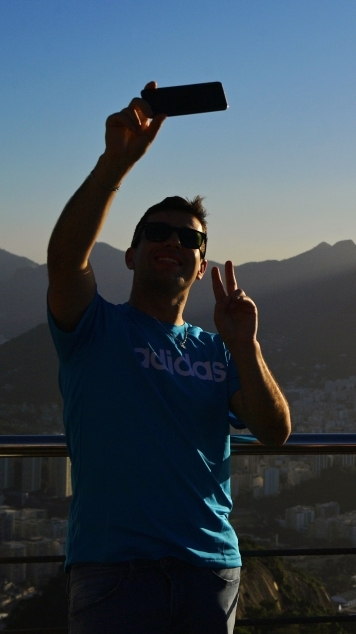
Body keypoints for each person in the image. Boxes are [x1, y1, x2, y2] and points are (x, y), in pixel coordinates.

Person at [47, 82, 292, 634]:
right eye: (158, 232)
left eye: (190, 239)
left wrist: (245, 345)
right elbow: (65, 261)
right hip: (113, 573)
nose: (174, 242)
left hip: (209, 574)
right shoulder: (94, 327)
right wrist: (116, 163)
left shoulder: (217, 350)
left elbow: (275, 431)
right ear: (131, 255)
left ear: (201, 267)